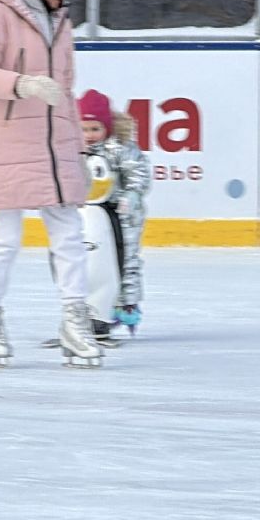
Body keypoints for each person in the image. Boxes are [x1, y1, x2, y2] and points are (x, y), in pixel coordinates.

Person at [0, 0, 102, 368]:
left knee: (69, 233)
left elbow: (66, 90)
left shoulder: (60, 21)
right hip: (7, 139)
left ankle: (75, 321)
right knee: (6, 238)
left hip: (55, 143)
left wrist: (77, 147)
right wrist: (21, 84)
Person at [78, 89, 151, 337]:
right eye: (84, 129)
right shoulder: (75, 149)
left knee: (126, 259)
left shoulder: (120, 148)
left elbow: (138, 172)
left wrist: (132, 194)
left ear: (107, 127)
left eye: (95, 129)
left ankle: (126, 305)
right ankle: (90, 307)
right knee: (92, 263)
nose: (89, 135)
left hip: (123, 215)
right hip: (91, 215)